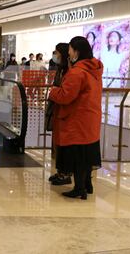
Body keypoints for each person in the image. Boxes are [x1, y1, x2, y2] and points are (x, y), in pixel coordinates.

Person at [48, 36, 102, 200]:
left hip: (77, 118)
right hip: (90, 117)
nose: (68, 52)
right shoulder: (94, 69)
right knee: (86, 154)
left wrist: (52, 91)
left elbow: (65, 96)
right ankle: (86, 185)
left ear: (76, 51)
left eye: (70, 49)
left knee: (78, 154)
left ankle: (79, 188)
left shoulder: (77, 72)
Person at [45, 43, 72, 185]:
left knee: (64, 144)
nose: (54, 55)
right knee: (58, 142)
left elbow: (62, 92)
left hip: (64, 111)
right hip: (57, 109)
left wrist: (54, 92)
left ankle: (65, 173)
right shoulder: (61, 70)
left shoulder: (70, 71)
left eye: (56, 52)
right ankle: (61, 171)